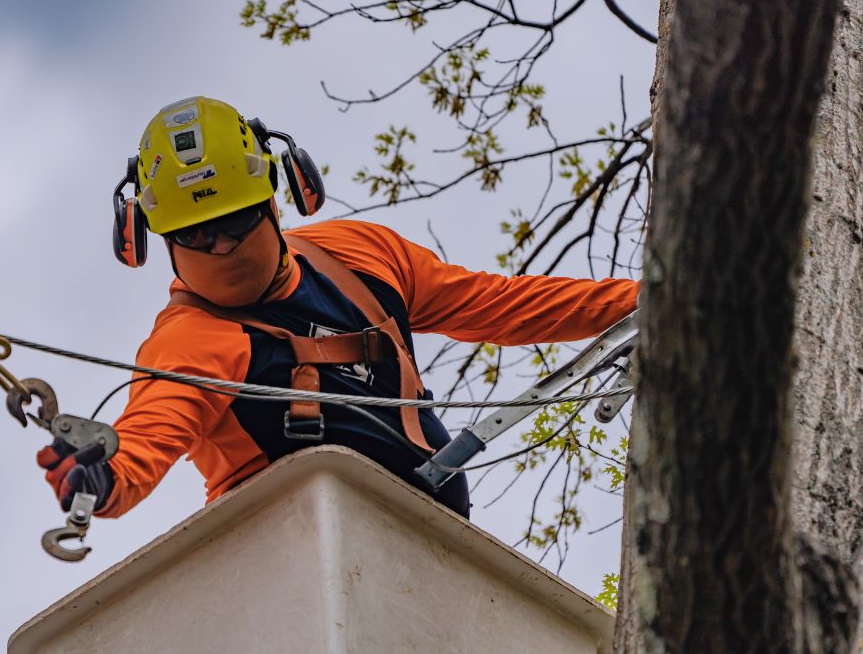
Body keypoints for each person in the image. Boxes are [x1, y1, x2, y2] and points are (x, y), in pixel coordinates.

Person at [37, 96, 638, 520]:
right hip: (291, 570)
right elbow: (147, 437)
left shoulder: (360, 256)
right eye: (195, 234)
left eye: (234, 221)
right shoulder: (189, 341)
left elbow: (504, 305)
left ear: (277, 198)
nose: (220, 245)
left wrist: (649, 302)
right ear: (152, 236)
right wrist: (103, 477)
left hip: (433, 547)